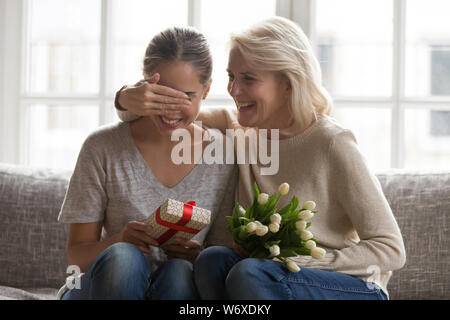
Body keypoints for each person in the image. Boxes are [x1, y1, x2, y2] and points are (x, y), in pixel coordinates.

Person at [114, 17, 406, 300]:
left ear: (288, 83)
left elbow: (390, 249)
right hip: (271, 277)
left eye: (248, 79)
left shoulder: (331, 142)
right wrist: (126, 97)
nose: (233, 90)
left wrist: (297, 261)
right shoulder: (240, 129)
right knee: (212, 260)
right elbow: (172, 111)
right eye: (231, 76)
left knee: (249, 274)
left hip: (350, 288)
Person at [56, 26, 236, 300]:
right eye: (162, 95)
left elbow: (221, 258)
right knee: (124, 258)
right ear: (144, 88)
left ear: (207, 90)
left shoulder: (223, 154)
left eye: (186, 97)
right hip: (102, 286)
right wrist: (120, 240)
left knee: (179, 271)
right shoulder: (102, 147)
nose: (171, 109)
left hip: (176, 288)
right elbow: (76, 258)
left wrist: (195, 254)